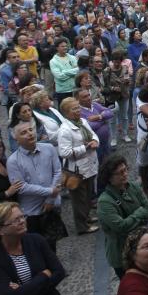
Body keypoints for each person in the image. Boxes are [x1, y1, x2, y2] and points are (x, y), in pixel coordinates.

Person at [0, 202, 66, 295]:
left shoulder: (36, 240)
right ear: (0, 230)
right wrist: (43, 276)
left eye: (22, 216)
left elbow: (59, 272)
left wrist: (22, 290)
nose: (22, 221)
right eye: (16, 220)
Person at [7, 121, 65, 252]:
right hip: (31, 210)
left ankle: (54, 268)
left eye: (30, 130)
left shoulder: (49, 148)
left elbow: (57, 171)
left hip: (51, 205)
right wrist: (50, 191)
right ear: (16, 138)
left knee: (52, 242)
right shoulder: (13, 161)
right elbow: (21, 187)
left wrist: (50, 199)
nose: (29, 134)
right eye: (23, 133)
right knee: (35, 246)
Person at [97, 154, 148, 278]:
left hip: (141, 245)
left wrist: (134, 217)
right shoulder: (105, 201)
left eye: (126, 169)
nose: (125, 174)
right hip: (122, 254)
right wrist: (139, 212)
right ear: (109, 178)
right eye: (120, 172)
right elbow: (121, 226)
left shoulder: (132, 186)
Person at [56, 97, 100, 235]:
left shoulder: (83, 122)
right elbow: (64, 152)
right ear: (66, 112)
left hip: (89, 166)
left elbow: (93, 135)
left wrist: (95, 141)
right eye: (74, 108)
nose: (78, 110)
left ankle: (86, 217)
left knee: (87, 195)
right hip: (77, 170)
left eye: (78, 107)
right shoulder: (64, 130)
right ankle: (82, 226)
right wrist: (85, 147)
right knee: (79, 200)